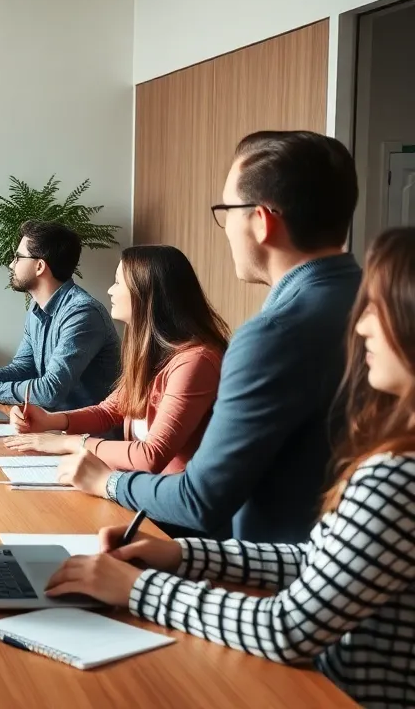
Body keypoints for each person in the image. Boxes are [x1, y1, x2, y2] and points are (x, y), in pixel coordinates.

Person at [44, 227, 415, 708]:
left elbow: (287, 628)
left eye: (376, 309)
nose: (360, 326)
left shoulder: (394, 477)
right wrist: (180, 558)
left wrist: (138, 588)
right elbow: (315, 563)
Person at [56, 131, 363, 543]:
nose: (226, 228)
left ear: (261, 220)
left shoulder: (273, 334)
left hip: (271, 580)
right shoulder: (375, 302)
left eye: (227, 210)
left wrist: (106, 481)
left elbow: (200, 500)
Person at [5, 245, 228, 475]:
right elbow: (108, 412)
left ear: (146, 292)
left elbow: (151, 455)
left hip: (169, 503)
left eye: (118, 282)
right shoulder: (153, 353)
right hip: (139, 490)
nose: (110, 291)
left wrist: (68, 443)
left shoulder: (195, 362)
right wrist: (49, 421)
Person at [0, 220, 120, 411]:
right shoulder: (37, 309)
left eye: (18, 257)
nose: (11, 265)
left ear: (39, 266)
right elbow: (24, 369)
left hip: (84, 435)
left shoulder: (82, 314)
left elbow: (49, 392)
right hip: (50, 427)